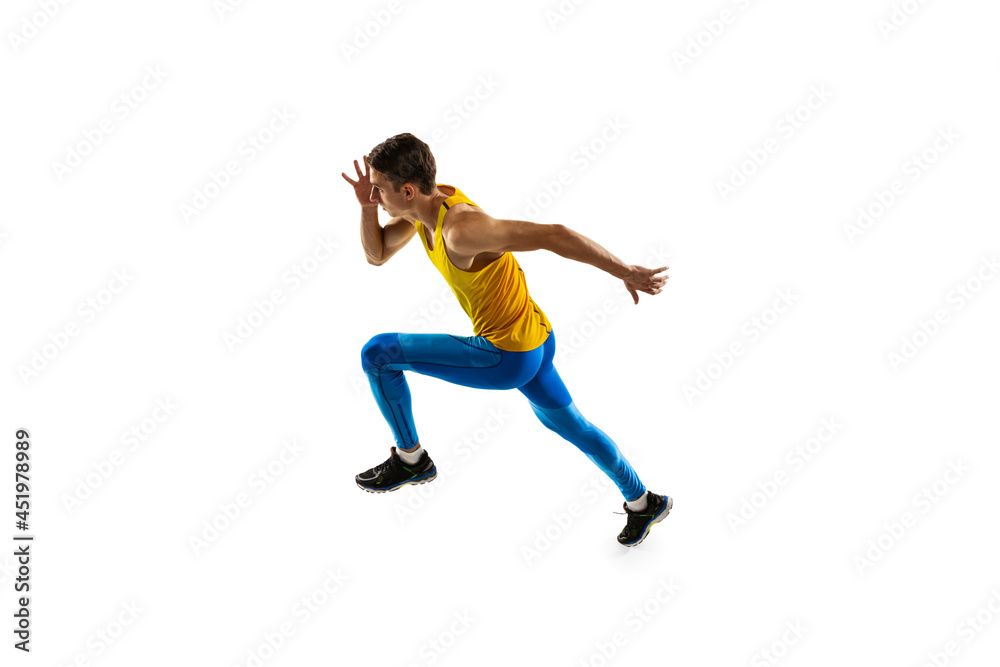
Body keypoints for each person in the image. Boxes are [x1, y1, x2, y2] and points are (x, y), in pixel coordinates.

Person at [341, 133, 672, 546]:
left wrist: (624, 270)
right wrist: (368, 207)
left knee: (378, 353)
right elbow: (376, 255)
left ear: (407, 190)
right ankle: (644, 501)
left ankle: (412, 460)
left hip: (506, 356)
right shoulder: (421, 209)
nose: (375, 195)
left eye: (379, 189)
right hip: (535, 339)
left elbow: (556, 234)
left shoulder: (461, 230)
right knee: (577, 428)